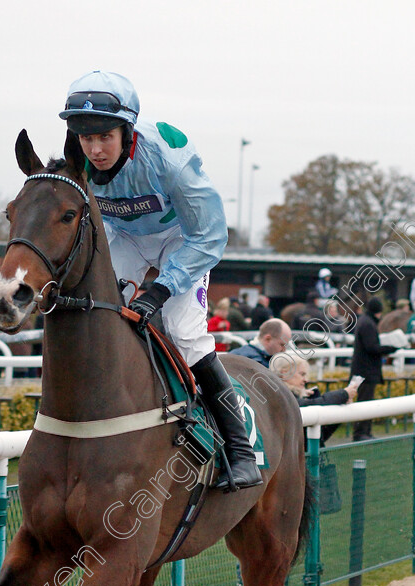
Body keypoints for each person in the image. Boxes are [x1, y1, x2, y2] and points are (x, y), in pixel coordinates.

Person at [59, 70, 261, 490]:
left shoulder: (169, 158)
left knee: (184, 331)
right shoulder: (75, 163)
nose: (95, 150)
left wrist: (161, 288)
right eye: (85, 138)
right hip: (123, 237)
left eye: (105, 138)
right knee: (99, 311)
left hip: (183, 239)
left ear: (127, 129)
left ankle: (240, 450)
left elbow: (210, 235)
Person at [276, 352, 358, 444]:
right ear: (285, 373)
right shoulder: (279, 397)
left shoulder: (291, 396)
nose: (306, 379)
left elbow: (321, 436)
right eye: (302, 374)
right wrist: (343, 394)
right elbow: (312, 404)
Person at [350, 297, 396, 441]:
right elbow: (372, 347)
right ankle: (360, 433)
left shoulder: (364, 321)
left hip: (364, 369)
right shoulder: (368, 324)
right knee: (365, 402)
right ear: (378, 311)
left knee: (365, 402)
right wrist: (390, 348)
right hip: (366, 371)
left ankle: (364, 432)